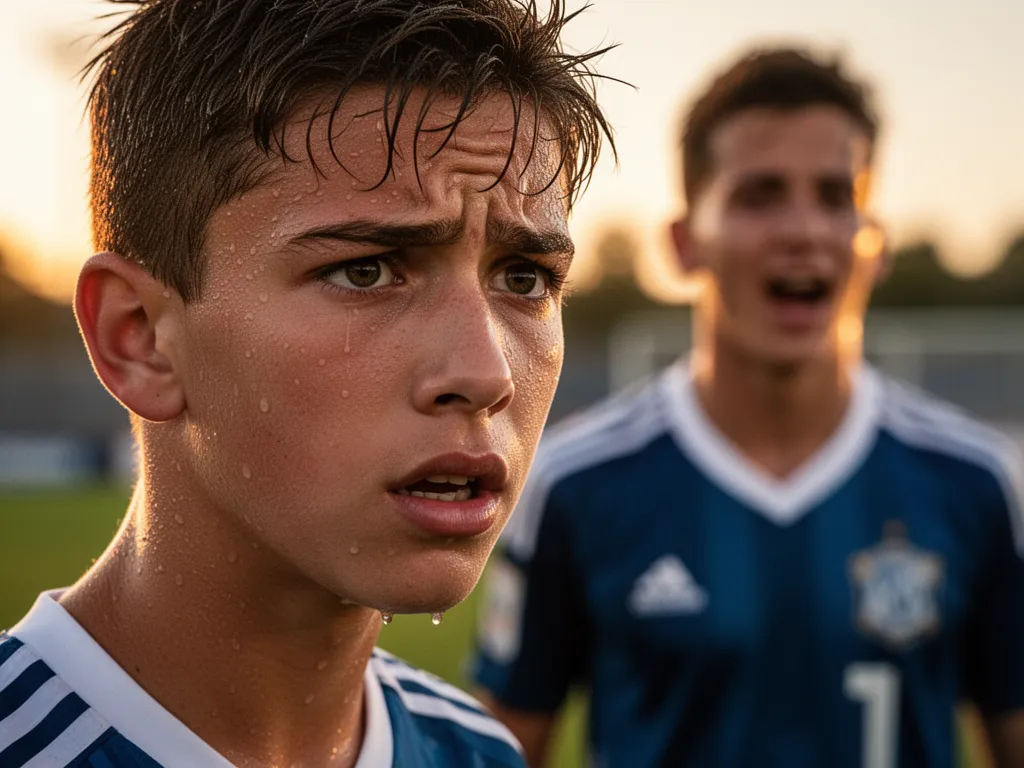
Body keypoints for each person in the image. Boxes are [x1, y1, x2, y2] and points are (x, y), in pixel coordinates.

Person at [0, 0, 615, 765]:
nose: (484, 373)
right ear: (140, 339)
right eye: (366, 271)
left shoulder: (479, 752)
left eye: (524, 277)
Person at [472, 47, 1024, 768]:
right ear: (684, 244)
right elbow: (504, 748)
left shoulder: (975, 482)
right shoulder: (578, 484)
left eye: (835, 196)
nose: (802, 230)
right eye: (760, 195)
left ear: (874, 245)